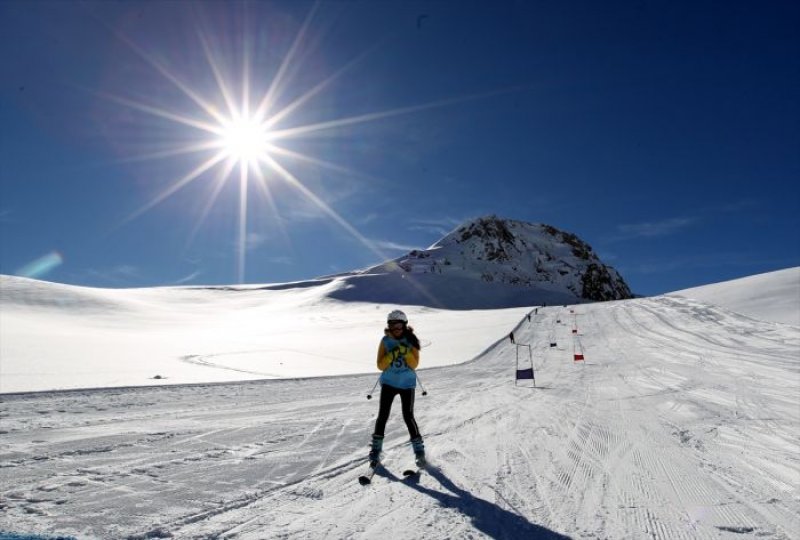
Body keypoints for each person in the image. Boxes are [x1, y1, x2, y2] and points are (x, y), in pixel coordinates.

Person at [368, 309, 425, 467]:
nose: (396, 329)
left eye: (399, 325)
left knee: (408, 416)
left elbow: (414, 364)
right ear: (389, 326)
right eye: (393, 325)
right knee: (383, 416)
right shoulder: (385, 341)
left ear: (404, 325)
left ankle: (419, 452)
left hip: (407, 384)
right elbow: (380, 365)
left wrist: (406, 352)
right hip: (389, 383)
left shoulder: (411, 340)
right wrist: (392, 354)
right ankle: (375, 450)